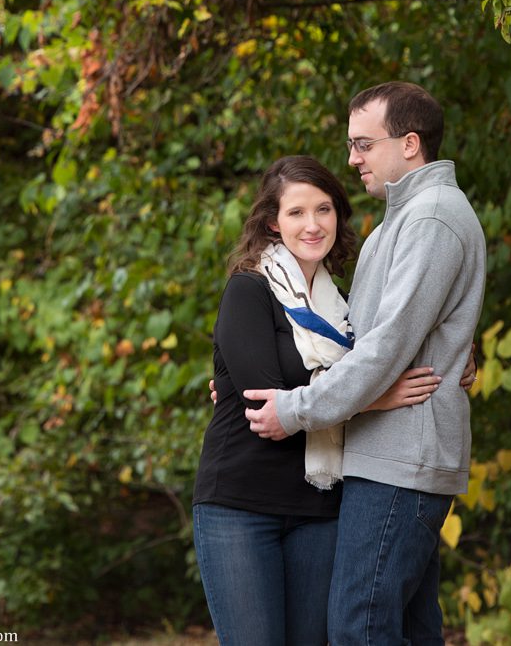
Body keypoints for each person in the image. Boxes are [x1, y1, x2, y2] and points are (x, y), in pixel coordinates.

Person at [244, 82, 487, 646]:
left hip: (402, 458)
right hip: (387, 453)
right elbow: (365, 337)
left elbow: (385, 348)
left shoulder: (430, 219)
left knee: (359, 627)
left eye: (362, 144)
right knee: (409, 628)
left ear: (408, 144)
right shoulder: (398, 223)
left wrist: (297, 409)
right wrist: (249, 378)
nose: (351, 159)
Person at [193, 154, 447, 646]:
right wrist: (375, 398)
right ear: (272, 222)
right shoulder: (249, 291)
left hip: (319, 507)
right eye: (296, 213)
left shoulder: (345, 309)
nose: (313, 225)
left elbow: (399, 342)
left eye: (324, 209)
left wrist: (464, 356)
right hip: (241, 506)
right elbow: (267, 403)